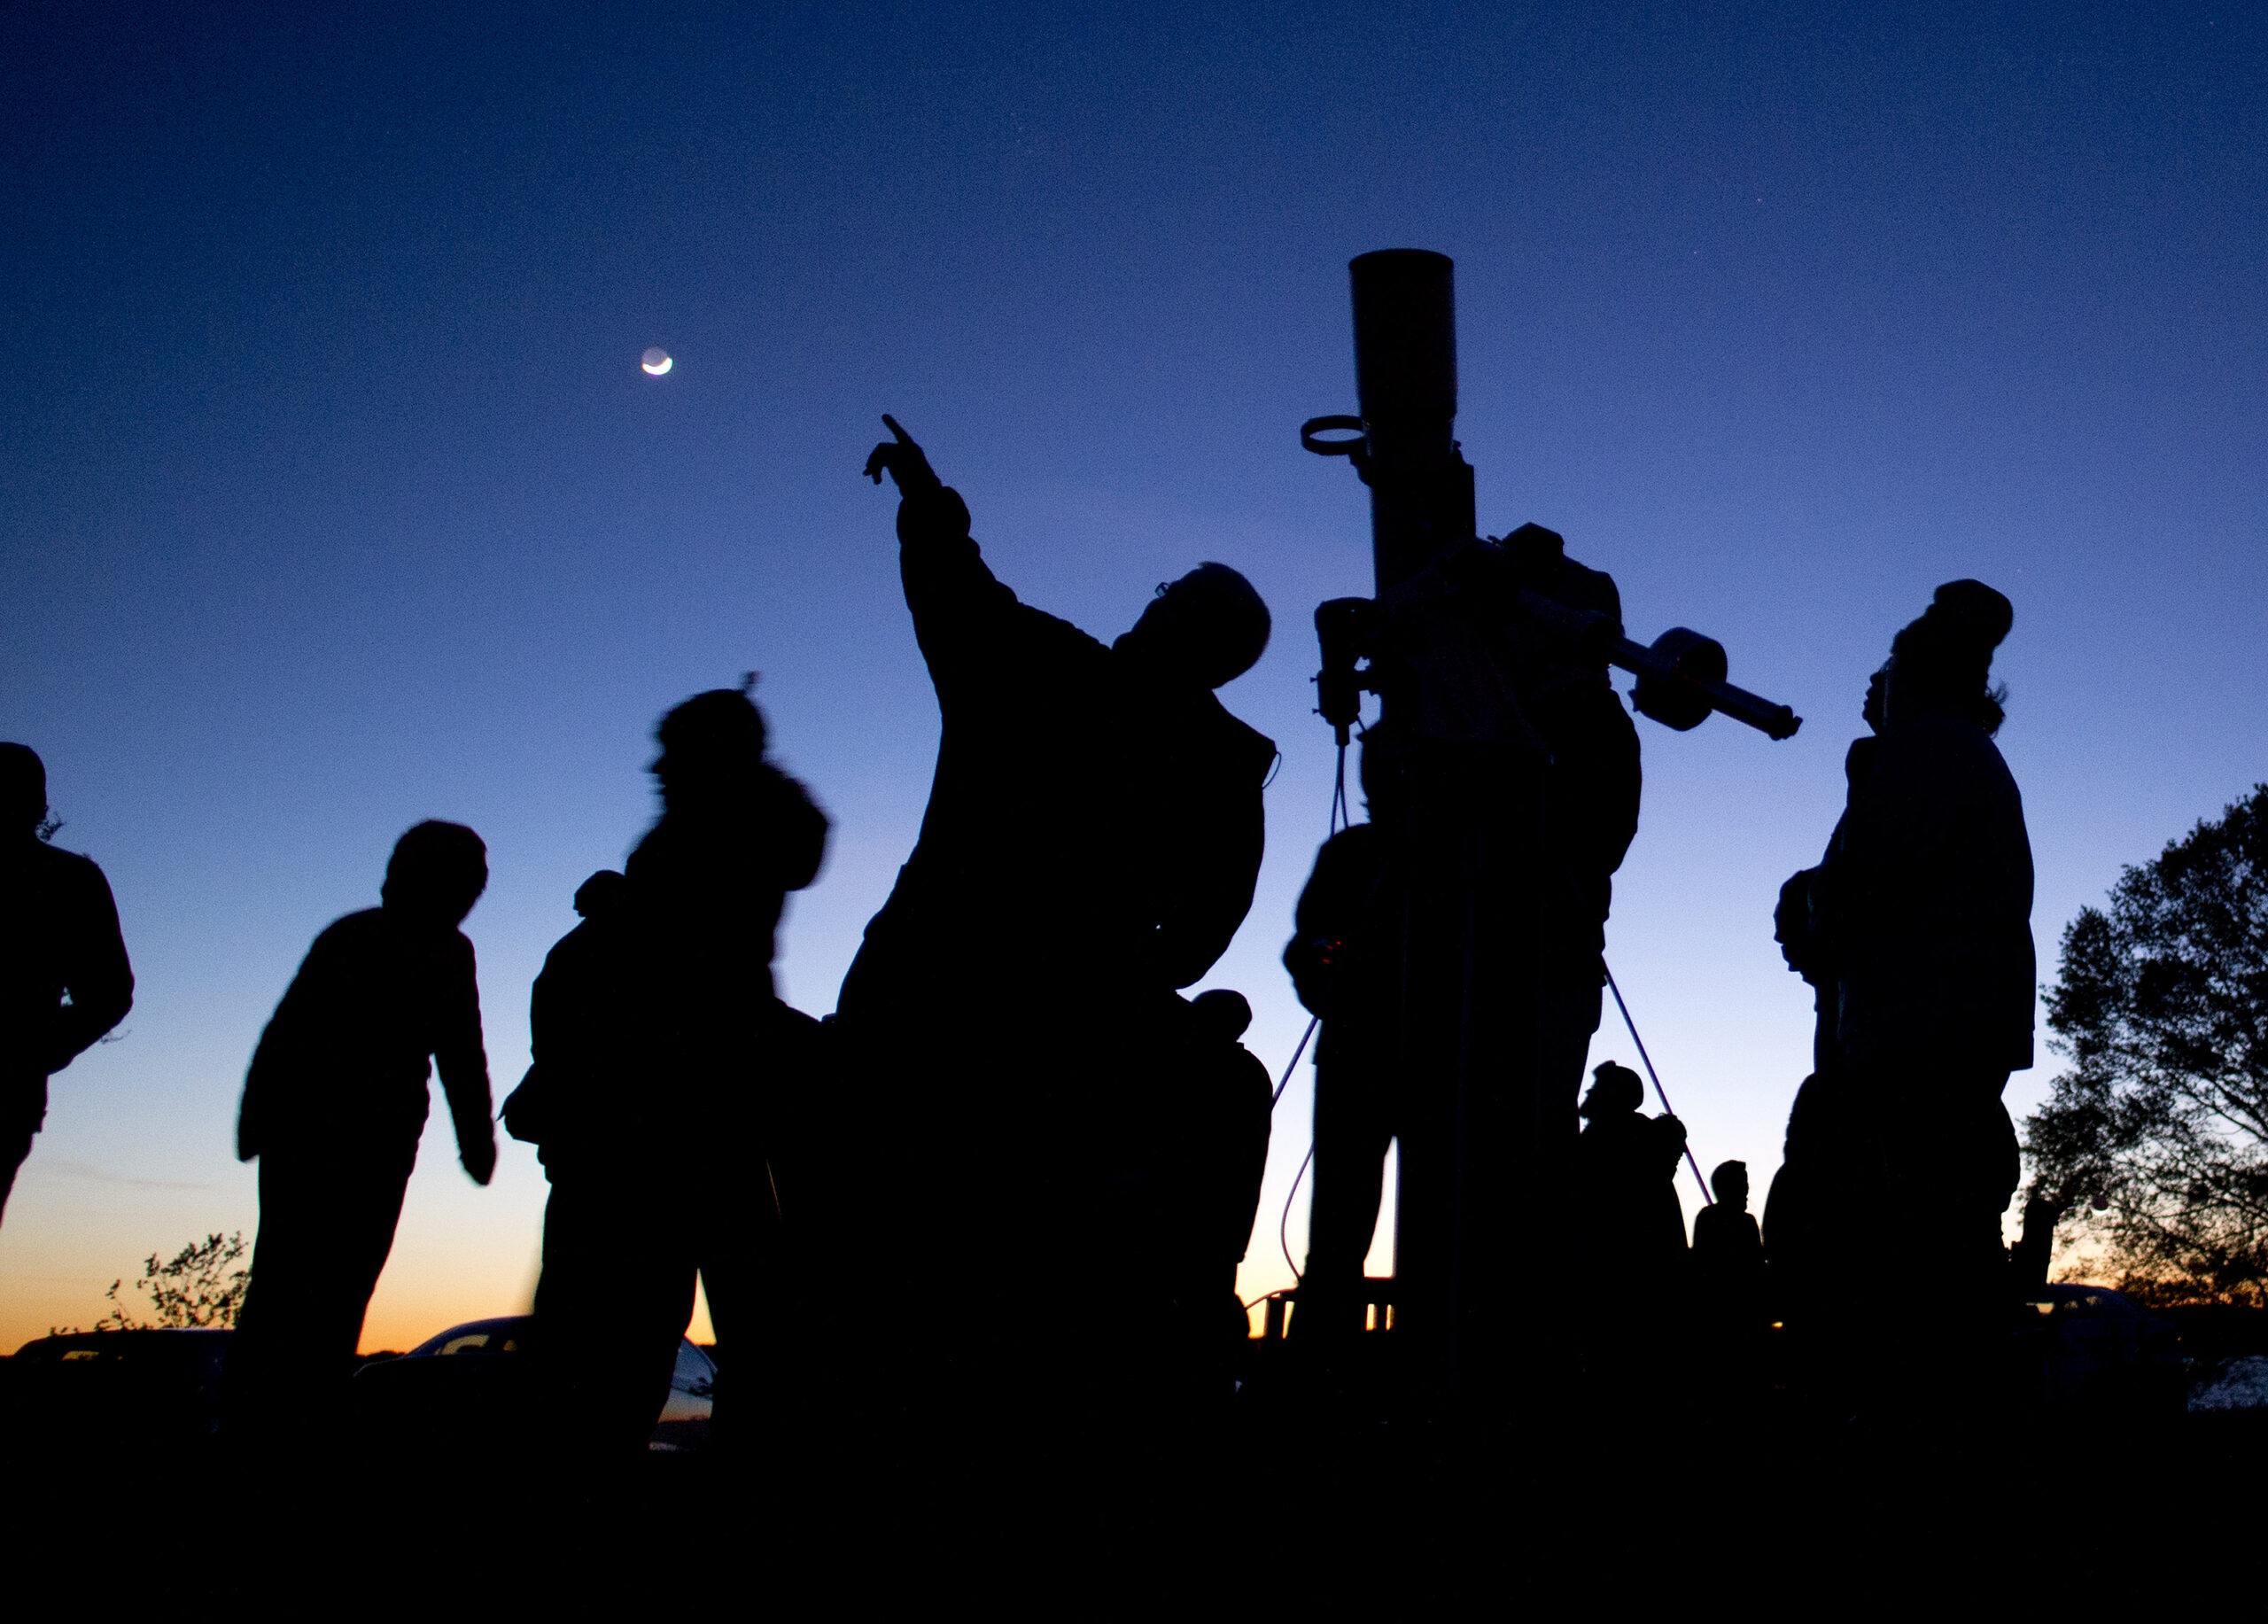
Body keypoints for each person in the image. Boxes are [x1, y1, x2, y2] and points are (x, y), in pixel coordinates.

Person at [842, 417, 1275, 1436]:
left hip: (933, 1002)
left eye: (1175, 599)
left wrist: (927, 497)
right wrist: (1124, 975)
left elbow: (951, 589)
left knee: (892, 1280)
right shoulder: (1212, 763)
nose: (1158, 604)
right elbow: (1209, 927)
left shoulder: (1041, 666)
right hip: (1062, 1031)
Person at [524, 686, 828, 1462]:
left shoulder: (726, 830)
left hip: (689, 1119)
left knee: (689, 1326)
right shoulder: (698, 837)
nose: (656, 765)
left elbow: (695, 973)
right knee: (650, 1331)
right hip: (669, 1120)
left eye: (675, 749)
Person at [1783, 579, 2033, 1418]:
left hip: (1917, 1038)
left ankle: (1923, 1440)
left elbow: (1869, 881)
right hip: (1934, 1033)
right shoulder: (1939, 753)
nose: (1870, 683)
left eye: (1884, 666)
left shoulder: (1928, 751)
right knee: (1929, 1246)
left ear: (1914, 674)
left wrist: (1811, 904)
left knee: (1913, 1254)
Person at [225, 820, 495, 1442]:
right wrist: (475, 1140)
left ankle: (288, 1421)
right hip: (330, 1134)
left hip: (364, 1137)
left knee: (325, 1286)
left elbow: (460, 1051)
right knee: (298, 1284)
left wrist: (475, 1138)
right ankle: (265, 1425)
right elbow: (290, 1029)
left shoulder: (429, 948)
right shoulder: (377, 940)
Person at [0, 744, 134, 1225]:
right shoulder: (70, 880)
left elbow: (111, 993)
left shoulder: (68, 882)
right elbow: (111, 994)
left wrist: (35, 1048)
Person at [1573, 1061, 1687, 1390]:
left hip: (1617, 1286)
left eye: (1599, 1086)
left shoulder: (1608, 1144)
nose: (1590, 1090)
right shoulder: (1634, 1141)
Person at [1690, 1159, 1769, 1407]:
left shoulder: (1710, 1219)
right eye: (1742, 1184)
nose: (1747, 1191)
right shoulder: (1745, 1224)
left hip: (1727, 1320)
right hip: (1734, 1320)